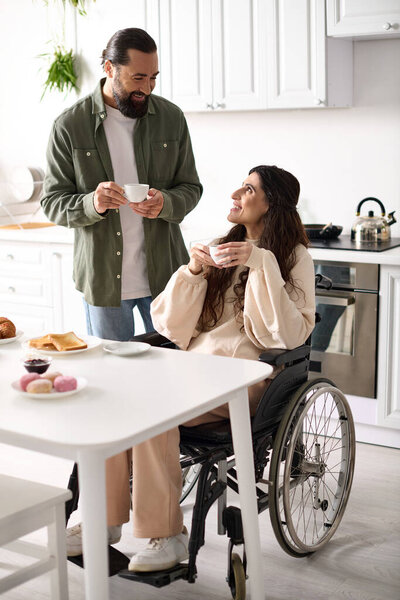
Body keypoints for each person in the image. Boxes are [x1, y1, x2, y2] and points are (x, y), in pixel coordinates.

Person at [66, 165, 316, 570]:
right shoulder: (220, 245)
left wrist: (260, 263)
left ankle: (168, 536)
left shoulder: (293, 257)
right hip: (192, 370)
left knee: (154, 410)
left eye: (249, 188)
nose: (236, 192)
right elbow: (170, 325)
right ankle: (103, 521)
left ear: (272, 204)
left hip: (248, 377)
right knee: (117, 402)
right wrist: (195, 272)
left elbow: (284, 336)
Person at [41, 28, 202, 340]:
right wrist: (93, 203)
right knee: (116, 376)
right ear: (109, 68)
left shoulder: (171, 118)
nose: (147, 88)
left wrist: (165, 203)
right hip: (103, 280)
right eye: (138, 78)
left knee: (178, 370)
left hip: (166, 276)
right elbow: (52, 202)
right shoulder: (70, 126)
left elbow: (191, 187)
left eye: (153, 77)